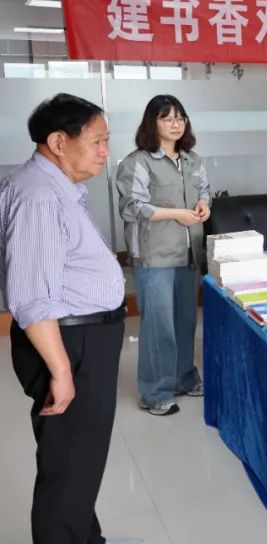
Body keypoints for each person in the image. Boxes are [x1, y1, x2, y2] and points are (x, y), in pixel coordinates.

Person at [1, 94, 127, 544]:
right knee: (69, 469)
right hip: (71, 345)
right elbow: (32, 297)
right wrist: (61, 371)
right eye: (97, 140)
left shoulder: (54, 187)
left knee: (78, 463)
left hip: (80, 339)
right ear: (58, 142)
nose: (105, 151)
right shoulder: (38, 196)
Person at [116, 95, 210, 417]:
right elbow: (131, 207)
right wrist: (175, 214)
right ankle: (155, 391)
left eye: (180, 117)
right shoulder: (138, 162)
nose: (176, 123)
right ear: (151, 123)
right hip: (154, 256)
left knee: (186, 322)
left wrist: (204, 205)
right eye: (167, 118)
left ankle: (184, 377)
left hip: (188, 252)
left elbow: (204, 191)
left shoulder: (193, 160)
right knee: (159, 327)